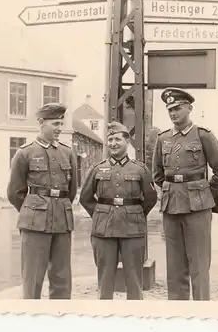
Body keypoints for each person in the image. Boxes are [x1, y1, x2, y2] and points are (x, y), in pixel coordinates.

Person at [152, 87, 218, 301]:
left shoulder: (203, 135)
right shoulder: (163, 139)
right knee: (175, 267)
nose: (173, 113)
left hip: (198, 208)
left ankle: (201, 315)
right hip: (171, 207)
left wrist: (205, 196)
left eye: (177, 108)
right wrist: (171, 190)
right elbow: (157, 175)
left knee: (198, 265)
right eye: (170, 109)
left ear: (189, 107)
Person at [80, 121, 157, 300]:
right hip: (104, 231)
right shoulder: (97, 168)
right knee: (105, 279)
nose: (113, 143)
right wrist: (101, 214)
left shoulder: (140, 169)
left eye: (117, 139)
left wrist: (134, 214)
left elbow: (151, 199)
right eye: (110, 139)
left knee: (134, 278)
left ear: (127, 141)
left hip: (132, 230)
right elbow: (85, 198)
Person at [7, 103, 77, 299]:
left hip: (62, 222)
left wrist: (57, 206)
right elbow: (15, 192)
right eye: (55, 123)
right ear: (41, 123)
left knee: (62, 278)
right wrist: (34, 210)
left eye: (61, 123)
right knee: (33, 278)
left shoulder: (68, 153)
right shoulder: (25, 153)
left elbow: (70, 192)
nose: (59, 128)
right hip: (35, 224)